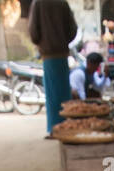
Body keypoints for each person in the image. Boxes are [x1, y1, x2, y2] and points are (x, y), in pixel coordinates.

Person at [28, 0, 78, 136]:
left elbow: (33, 32)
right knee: (63, 92)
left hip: (48, 54)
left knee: (52, 94)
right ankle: (66, 126)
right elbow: (73, 29)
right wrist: (62, 40)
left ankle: (54, 129)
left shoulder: (38, 3)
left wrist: (42, 42)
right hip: (62, 53)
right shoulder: (62, 3)